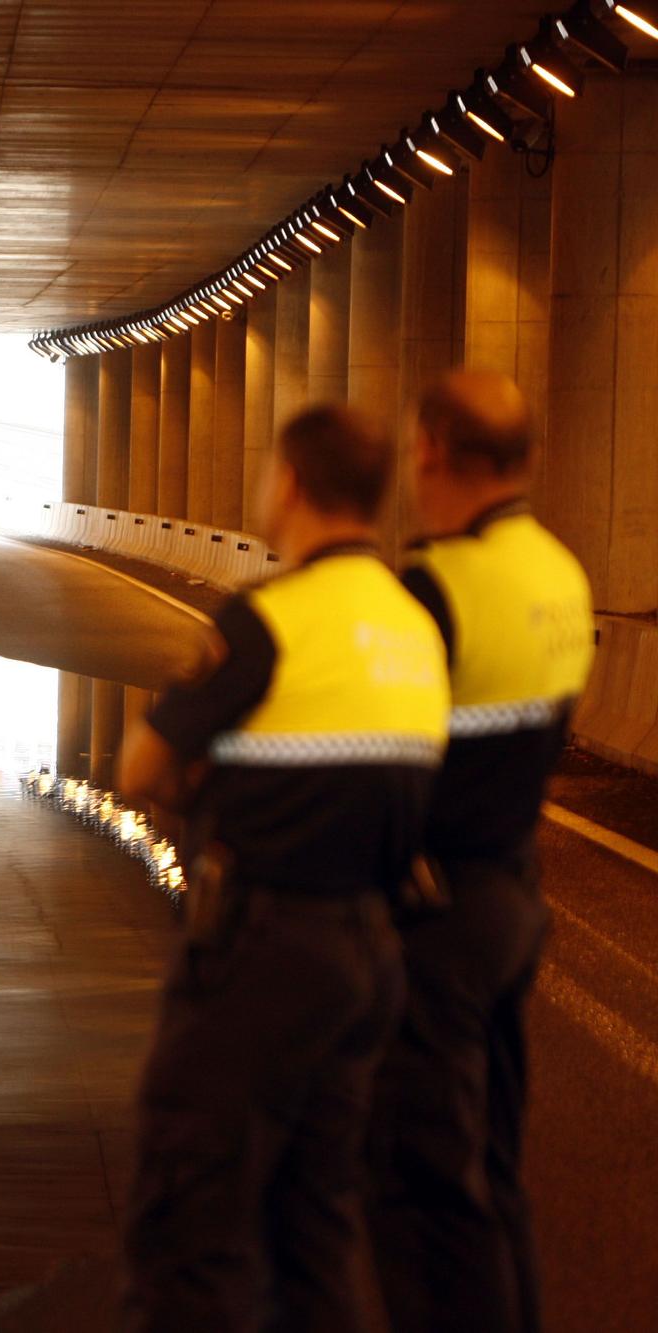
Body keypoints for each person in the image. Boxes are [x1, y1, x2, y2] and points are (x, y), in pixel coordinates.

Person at [117, 404, 449, 1333]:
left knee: (193, 1219)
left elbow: (140, 767)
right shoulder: (416, 624)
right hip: (369, 957)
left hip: (262, 952)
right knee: (313, 1227)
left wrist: (211, 775)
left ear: (292, 484)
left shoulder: (269, 620)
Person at [365, 371, 593, 1333]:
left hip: (434, 920)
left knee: (422, 1190)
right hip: (511, 898)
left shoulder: (434, 586)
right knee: (492, 1169)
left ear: (433, 453)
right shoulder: (562, 575)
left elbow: (376, 763)